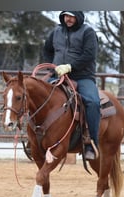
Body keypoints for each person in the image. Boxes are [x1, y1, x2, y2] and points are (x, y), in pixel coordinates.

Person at [43, 11, 100, 160]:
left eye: (71, 16)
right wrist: (52, 67)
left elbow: (89, 55)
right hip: (58, 76)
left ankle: (91, 143)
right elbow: (47, 50)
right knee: (35, 95)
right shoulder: (56, 31)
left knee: (93, 102)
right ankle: (34, 140)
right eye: (66, 16)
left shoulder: (88, 32)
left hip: (82, 77)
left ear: (78, 16)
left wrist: (70, 66)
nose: (68, 19)